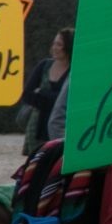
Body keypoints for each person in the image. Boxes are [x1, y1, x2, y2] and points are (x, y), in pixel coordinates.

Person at [21, 26, 72, 156]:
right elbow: (27, 95)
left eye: (59, 44)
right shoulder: (44, 66)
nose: (55, 47)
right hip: (37, 127)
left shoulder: (74, 71)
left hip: (61, 126)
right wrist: (55, 98)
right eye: (54, 43)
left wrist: (42, 93)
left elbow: (69, 100)